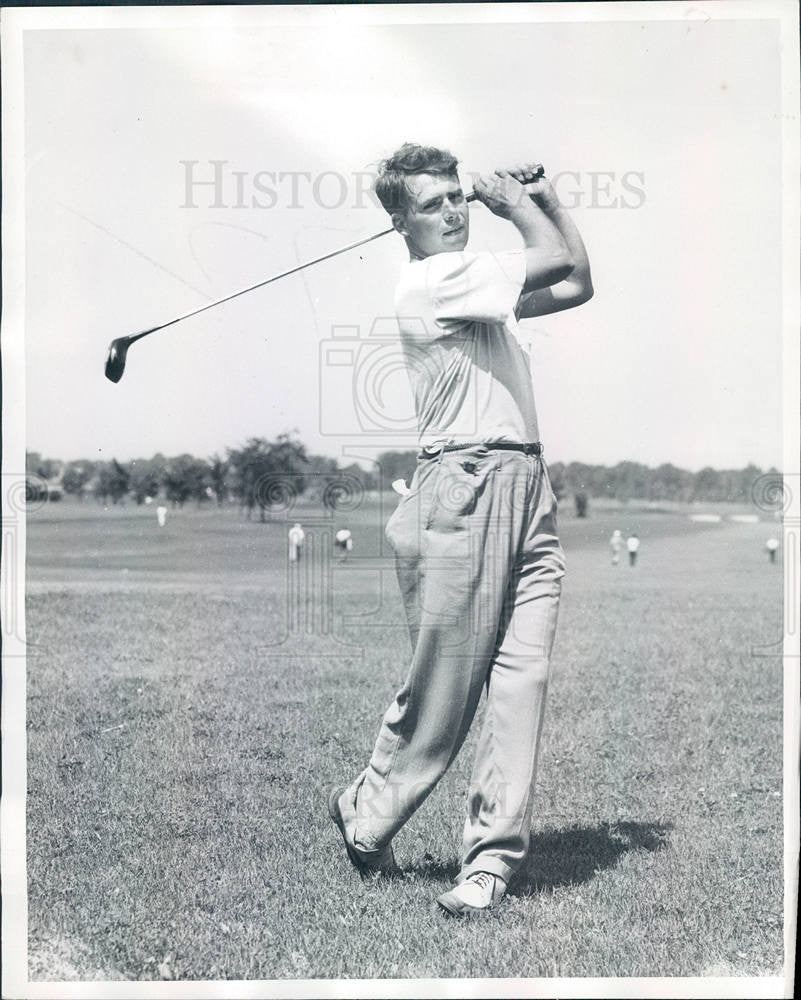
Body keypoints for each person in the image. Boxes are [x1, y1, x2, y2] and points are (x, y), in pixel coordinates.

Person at [328, 143, 593, 916]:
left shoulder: (478, 284)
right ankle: (367, 810)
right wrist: (518, 207)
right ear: (399, 222)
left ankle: (488, 864)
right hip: (463, 488)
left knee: (522, 683)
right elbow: (548, 259)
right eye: (432, 202)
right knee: (446, 692)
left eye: (455, 197)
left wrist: (545, 199)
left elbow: (574, 280)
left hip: (525, 486)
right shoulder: (434, 279)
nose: (452, 210)